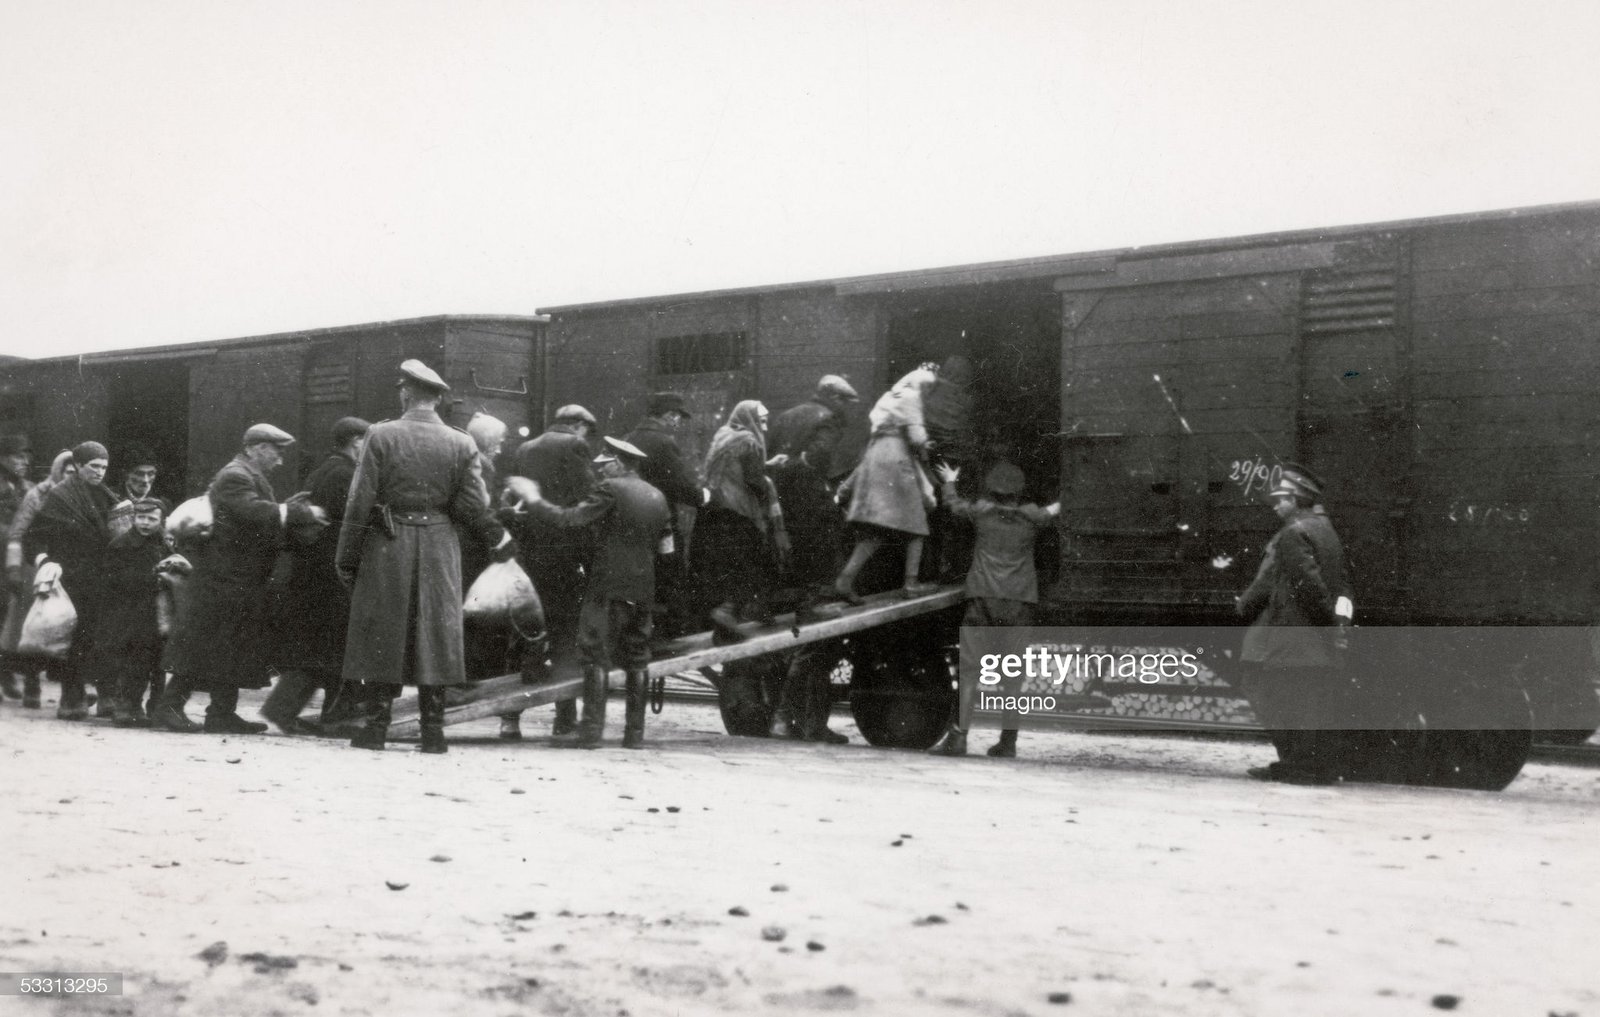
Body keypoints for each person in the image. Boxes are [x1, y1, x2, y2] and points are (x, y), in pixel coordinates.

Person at [338, 360, 514, 755]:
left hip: (388, 543)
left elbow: (359, 501)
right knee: (437, 633)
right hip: (440, 546)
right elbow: (472, 505)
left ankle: (377, 727)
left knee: (386, 631)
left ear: (406, 393)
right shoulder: (462, 442)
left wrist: (347, 556)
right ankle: (433, 732)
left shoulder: (380, 435)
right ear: (436, 399)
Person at [156, 425, 327, 734]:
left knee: (228, 647)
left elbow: (253, 522)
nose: (280, 460)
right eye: (276, 451)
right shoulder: (236, 475)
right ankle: (169, 707)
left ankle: (221, 713)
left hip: (235, 578)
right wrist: (297, 511)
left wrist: (287, 509)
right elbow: (251, 512)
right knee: (204, 645)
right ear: (254, 448)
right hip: (223, 579)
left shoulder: (247, 475)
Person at [516, 436, 670, 749]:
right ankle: (634, 735)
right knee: (637, 657)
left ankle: (590, 731)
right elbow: (667, 547)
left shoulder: (611, 489)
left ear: (618, 462)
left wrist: (533, 498)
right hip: (643, 586)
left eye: (605, 462)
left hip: (608, 584)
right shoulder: (657, 496)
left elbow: (568, 519)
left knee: (594, 653)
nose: (600, 470)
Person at [928, 461, 1059, 758]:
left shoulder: (981, 512)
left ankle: (959, 738)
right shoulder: (1032, 518)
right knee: (1012, 674)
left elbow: (953, 505)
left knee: (971, 670)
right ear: (1020, 491)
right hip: (1020, 601)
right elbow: (1056, 510)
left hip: (983, 597)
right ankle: (1008, 742)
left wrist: (949, 480)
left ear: (991, 489)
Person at [1235, 464, 1354, 786]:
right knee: (1309, 703)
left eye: (1281, 498)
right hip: (1316, 636)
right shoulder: (1326, 530)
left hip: (1293, 635)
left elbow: (1309, 587)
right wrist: (1342, 623)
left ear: (1298, 497)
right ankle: (1307, 767)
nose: (1275, 505)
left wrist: (1331, 625)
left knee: (1278, 696)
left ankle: (1298, 767)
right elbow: (1342, 585)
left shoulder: (1292, 533)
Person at [260, 416, 370, 735]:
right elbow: (351, 523)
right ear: (355, 442)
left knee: (322, 647)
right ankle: (327, 714)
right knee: (327, 647)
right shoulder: (345, 474)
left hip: (313, 572)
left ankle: (322, 711)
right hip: (329, 573)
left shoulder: (324, 470)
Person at [501, 404, 597, 740]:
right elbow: (587, 500)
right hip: (563, 556)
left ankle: (509, 720)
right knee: (564, 637)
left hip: (529, 554)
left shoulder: (527, 448)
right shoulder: (575, 446)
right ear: (579, 426)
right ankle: (564, 720)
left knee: (526, 632)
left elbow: (514, 497)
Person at [767, 425, 853, 743]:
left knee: (821, 651)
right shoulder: (797, 474)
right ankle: (784, 719)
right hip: (810, 575)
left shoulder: (805, 472)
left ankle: (812, 724)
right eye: (823, 442)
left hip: (820, 574)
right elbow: (805, 522)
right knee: (812, 649)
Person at [833, 362, 944, 602]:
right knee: (917, 525)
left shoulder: (890, 396)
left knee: (877, 530)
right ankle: (911, 584)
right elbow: (916, 436)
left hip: (876, 455)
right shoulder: (912, 396)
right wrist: (927, 444)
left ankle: (845, 579)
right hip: (896, 458)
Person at [24, 441, 116, 720]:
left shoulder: (107, 496)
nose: (99, 472)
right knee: (74, 638)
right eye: (94, 466)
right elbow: (33, 536)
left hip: (101, 576)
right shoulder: (59, 496)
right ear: (77, 465)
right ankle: (71, 697)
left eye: (103, 467)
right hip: (73, 577)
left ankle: (107, 696)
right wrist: (44, 561)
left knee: (101, 636)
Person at [692, 400, 788, 634]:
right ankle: (732, 611)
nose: (764, 428)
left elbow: (735, 468)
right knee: (749, 563)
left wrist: (765, 464)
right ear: (750, 419)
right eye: (761, 422)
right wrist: (772, 475)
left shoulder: (724, 435)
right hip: (738, 512)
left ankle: (737, 613)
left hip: (713, 511)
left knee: (726, 567)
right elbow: (754, 480)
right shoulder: (749, 441)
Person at [624, 392, 703, 639]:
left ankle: (640, 632)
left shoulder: (630, 437)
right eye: (678, 417)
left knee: (640, 578)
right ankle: (671, 634)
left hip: (632, 521)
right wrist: (703, 497)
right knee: (670, 574)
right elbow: (679, 484)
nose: (678, 422)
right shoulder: (663, 442)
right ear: (669, 415)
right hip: (661, 522)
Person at [2, 449, 73, 708]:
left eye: (75, 472)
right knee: (34, 628)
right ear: (57, 471)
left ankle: (71, 688)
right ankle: (32, 684)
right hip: (38, 566)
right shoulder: (38, 494)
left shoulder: (82, 494)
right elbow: (17, 533)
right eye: (67, 471)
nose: (71, 476)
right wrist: (13, 569)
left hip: (69, 567)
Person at [97, 499, 169, 726]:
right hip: (129, 612)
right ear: (134, 518)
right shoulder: (122, 544)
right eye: (141, 518)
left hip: (155, 612)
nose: (145, 523)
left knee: (158, 662)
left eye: (152, 519)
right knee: (133, 662)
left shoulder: (164, 543)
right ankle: (127, 706)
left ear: (161, 520)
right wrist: (151, 576)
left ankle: (156, 708)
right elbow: (112, 580)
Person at [767, 375, 860, 468]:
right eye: (844, 402)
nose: (845, 408)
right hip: (811, 479)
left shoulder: (786, 415)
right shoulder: (830, 419)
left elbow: (771, 450)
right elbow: (819, 455)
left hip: (780, 479)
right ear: (835, 398)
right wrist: (791, 462)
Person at [0, 435, 32, 702]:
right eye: (18, 456)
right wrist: (13, 533)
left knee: (9, 617)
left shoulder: (25, 487)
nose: (24, 462)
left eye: (26, 457)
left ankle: (6, 672)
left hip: (13, 561)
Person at [105, 448, 170, 541]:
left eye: (151, 473)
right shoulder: (108, 498)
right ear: (126, 474)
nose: (145, 480)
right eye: (139, 473)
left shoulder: (163, 503)